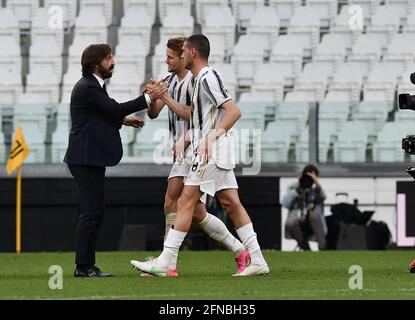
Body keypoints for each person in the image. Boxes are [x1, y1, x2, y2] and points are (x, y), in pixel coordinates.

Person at [132, 34, 269, 277]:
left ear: (192, 53)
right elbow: (204, 116)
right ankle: (256, 259)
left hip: (211, 150)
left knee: (185, 201)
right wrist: (193, 135)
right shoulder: (200, 79)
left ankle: (166, 263)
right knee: (231, 204)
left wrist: (210, 137)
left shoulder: (206, 77)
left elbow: (234, 112)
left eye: (182, 52)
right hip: (213, 148)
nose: (180, 56)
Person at [64, 44, 166, 277]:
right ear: (95, 63)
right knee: (91, 213)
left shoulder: (92, 86)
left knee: (93, 213)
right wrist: (149, 97)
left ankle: (86, 265)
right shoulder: (89, 87)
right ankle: (84, 266)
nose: (113, 62)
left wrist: (123, 120)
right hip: (85, 159)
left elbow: (102, 115)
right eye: (108, 58)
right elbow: (113, 108)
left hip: (89, 158)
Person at [282, 164, 327, 251]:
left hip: (313, 221)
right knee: (290, 223)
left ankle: (323, 248)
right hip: (297, 220)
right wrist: (297, 189)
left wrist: (317, 184)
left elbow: (322, 198)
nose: (308, 181)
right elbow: (286, 204)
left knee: (314, 215)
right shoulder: (293, 187)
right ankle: (305, 248)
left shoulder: (316, 190)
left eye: (311, 178)